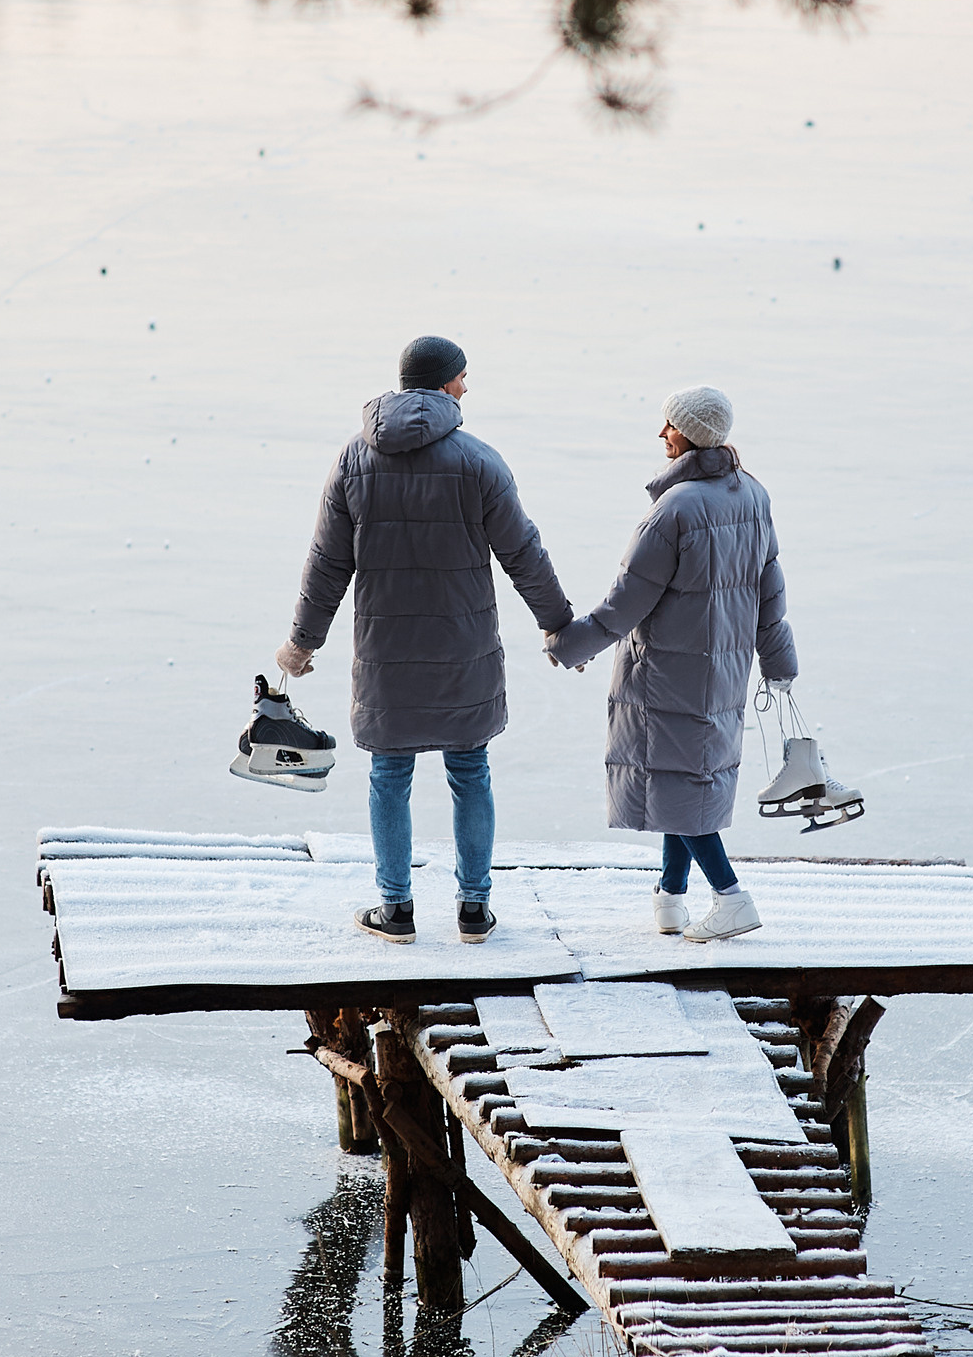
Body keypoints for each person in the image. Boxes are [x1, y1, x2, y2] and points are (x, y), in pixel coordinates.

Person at [278, 335, 573, 947]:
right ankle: (473, 910)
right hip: (464, 647)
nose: (467, 388)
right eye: (464, 378)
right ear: (444, 385)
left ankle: (397, 910)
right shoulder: (479, 461)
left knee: (389, 774)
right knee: (470, 770)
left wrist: (303, 643)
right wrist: (557, 621)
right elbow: (523, 552)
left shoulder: (353, 460)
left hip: (386, 654)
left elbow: (327, 562)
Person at [544, 386, 795, 943]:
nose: (662, 434)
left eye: (671, 427)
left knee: (681, 783)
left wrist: (569, 646)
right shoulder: (752, 494)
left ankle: (731, 897)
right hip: (723, 666)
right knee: (679, 776)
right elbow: (770, 585)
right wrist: (778, 660)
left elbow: (627, 600)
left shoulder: (676, 509)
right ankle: (671, 896)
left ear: (694, 435)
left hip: (669, 671)